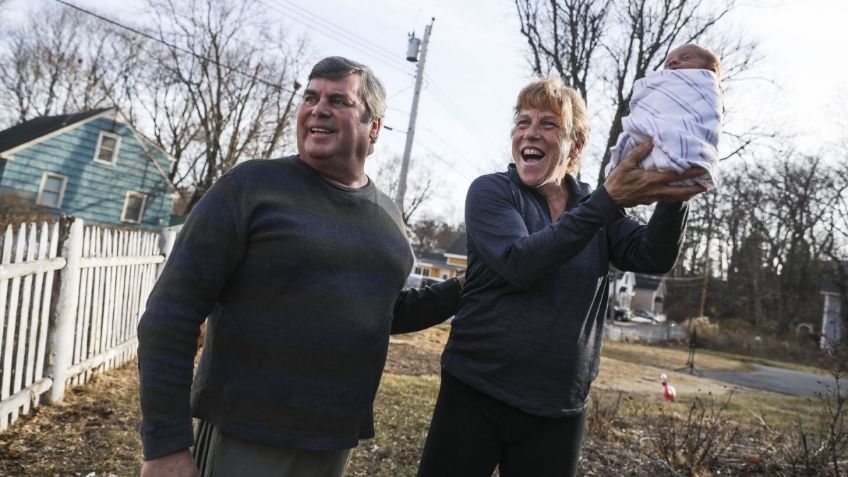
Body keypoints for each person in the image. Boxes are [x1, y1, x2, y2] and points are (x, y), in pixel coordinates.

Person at [137, 56, 463, 477]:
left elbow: (380, 311)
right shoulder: (249, 188)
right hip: (247, 436)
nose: (318, 108)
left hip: (332, 442)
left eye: (338, 100)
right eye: (310, 97)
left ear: (374, 126)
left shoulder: (389, 218)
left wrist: (467, 286)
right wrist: (165, 446)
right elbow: (170, 314)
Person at [416, 77, 707, 477]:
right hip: (475, 392)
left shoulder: (597, 210)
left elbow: (653, 256)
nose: (530, 132)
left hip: (558, 409)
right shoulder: (492, 193)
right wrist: (605, 201)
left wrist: (676, 189)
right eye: (522, 122)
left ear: (576, 146)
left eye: (548, 124)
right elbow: (520, 262)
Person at [606, 43, 723, 188]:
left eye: (685, 58)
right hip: (649, 146)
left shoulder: (706, 90)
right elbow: (651, 105)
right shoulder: (662, 86)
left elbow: (704, 121)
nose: (672, 62)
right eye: (668, 63)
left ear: (710, 72)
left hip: (685, 150)